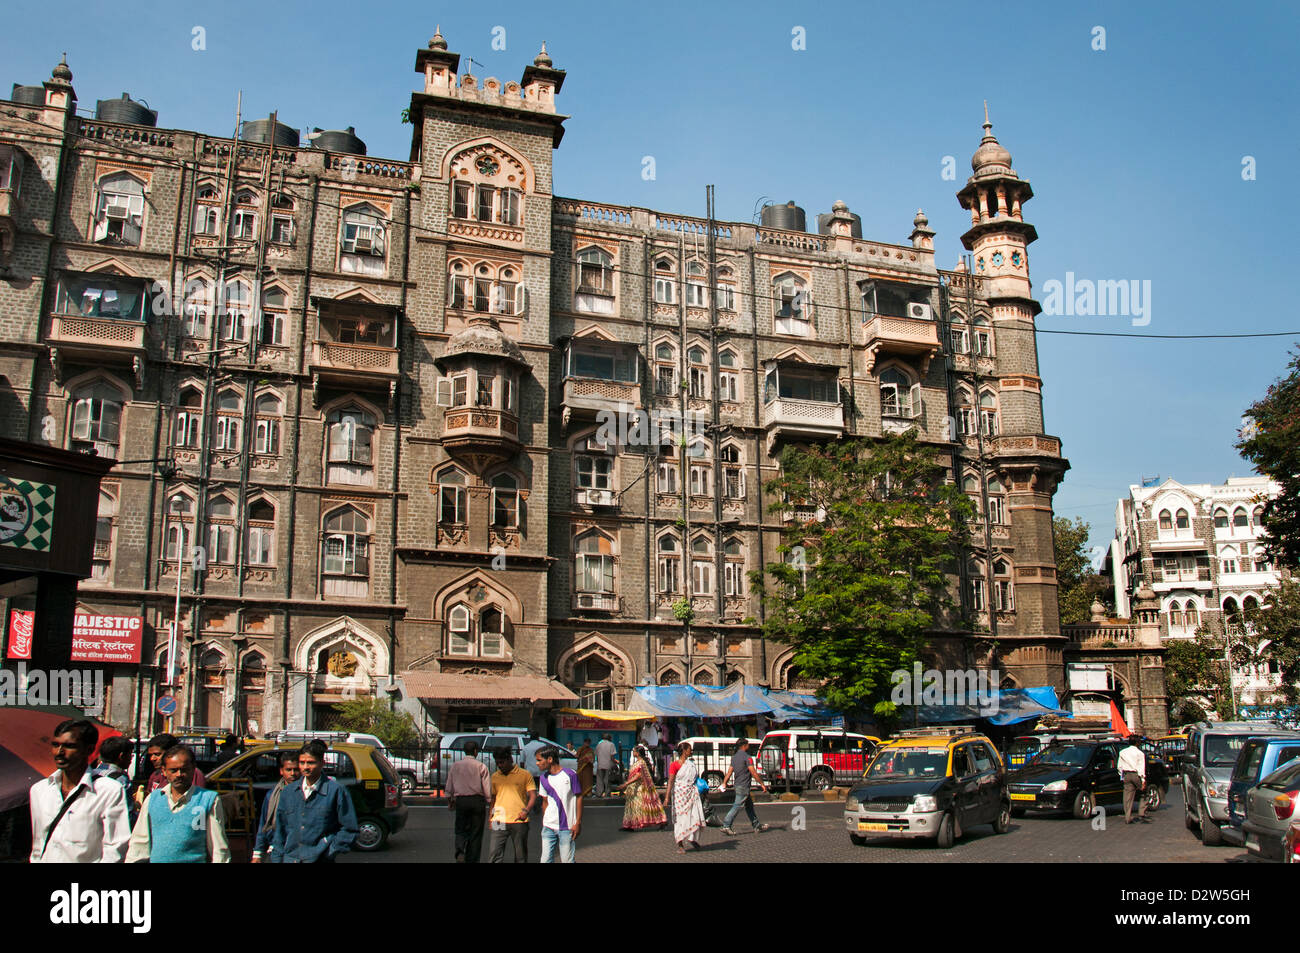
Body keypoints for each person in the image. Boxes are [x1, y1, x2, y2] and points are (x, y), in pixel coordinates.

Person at [29, 719, 131, 863]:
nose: (60, 752)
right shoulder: (39, 791)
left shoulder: (108, 790)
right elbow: (38, 846)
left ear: (88, 750)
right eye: (55, 745)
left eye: (69, 746)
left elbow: (115, 848)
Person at [126, 745, 230, 863]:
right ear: (164, 771)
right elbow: (139, 845)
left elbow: (219, 849)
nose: (179, 774)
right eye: (173, 770)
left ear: (193, 769)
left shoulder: (208, 800)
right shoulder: (153, 800)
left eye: (184, 769)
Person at [269, 740, 358, 863]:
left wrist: (330, 850)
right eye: (302, 762)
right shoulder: (289, 792)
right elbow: (280, 830)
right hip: (291, 858)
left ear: (322, 763)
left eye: (311, 763)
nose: (305, 767)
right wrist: (277, 858)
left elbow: (349, 829)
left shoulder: (336, 791)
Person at [488, 747, 536, 863]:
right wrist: (490, 817)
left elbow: (533, 796)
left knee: (520, 856)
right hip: (498, 820)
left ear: (510, 759)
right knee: (494, 854)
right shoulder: (495, 776)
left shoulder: (525, 774)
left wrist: (526, 810)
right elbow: (494, 799)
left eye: (502, 762)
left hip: (519, 820)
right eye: (497, 762)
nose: (500, 765)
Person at [251, 750, 301, 862]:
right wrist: (257, 854)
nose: (293, 773)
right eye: (289, 770)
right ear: (281, 771)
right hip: (276, 850)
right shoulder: (272, 795)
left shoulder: (307, 794)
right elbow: (264, 824)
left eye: (296, 769)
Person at [446, 739, 491, 862]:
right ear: (476, 751)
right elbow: (487, 789)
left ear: (465, 751)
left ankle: (460, 851)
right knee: (476, 833)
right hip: (477, 801)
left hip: (461, 800)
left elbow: (448, 787)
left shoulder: (455, 766)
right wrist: (489, 800)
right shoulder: (481, 766)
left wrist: (450, 801)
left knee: (460, 828)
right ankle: (472, 859)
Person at [535, 745, 582, 863]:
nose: (537, 763)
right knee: (545, 860)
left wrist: (577, 822)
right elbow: (545, 802)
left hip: (567, 827)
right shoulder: (543, 779)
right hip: (548, 827)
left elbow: (579, 797)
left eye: (539, 760)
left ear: (550, 759)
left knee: (567, 860)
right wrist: (545, 820)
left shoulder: (570, 774)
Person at [720, 737, 769, 835]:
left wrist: (724, 783)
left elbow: (729, 772)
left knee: (749, 806)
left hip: (738, 785)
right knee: (737, 806)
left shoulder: (734, 758)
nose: (749, 746)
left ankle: (756, 825)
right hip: (744, 786)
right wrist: (762, 784)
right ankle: (726, 825)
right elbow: (753, 772)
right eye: (747, 744)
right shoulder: (747, 757)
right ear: (744, 746)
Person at [92, 736, 137, 827]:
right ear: (121, 756)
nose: (131, 759)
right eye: (130, 755)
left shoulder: (92, 775)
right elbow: (127, 816)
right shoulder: (121, 780)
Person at [620, 744, 667, 831]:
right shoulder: (638, 762)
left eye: (634, 751)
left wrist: (626, 784)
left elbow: (638, 776)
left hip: (640, 789)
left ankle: (661, 821)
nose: (633, 752)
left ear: (637, 753)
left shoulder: (641, 763)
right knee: (632, 807)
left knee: (645, 807)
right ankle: (630, 825)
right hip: (634, 788)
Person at [670, 740, 706, 853]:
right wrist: (666, 797)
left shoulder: (691, 764)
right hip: (679, 795)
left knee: (692, 816)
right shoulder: (674, 765)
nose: (691, 751)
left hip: (691, 793)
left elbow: (695, 778)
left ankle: (692, 839)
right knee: (679, 819)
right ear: (684, 751)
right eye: (689, 749)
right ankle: (680, 844)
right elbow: (671, 781)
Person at [142, 733, 207, 795]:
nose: (152, 758)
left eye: (157, 754)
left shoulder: (192, 773)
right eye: (151, 755)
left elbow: (196, 799)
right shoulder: (155, 776)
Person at [1119, 735, 1151, 824]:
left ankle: (1127, 817)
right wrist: (1143, 780)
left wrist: (1122, 776)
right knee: (1145, 792)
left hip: (1126, 774)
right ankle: (1142, 812)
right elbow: (1141, 767)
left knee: (1127, 797)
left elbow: (1119, 766)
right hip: (1136, 774)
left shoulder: (1122, 752)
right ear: (1138, 743)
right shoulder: (1139, 753)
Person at [594, 733, 618, 797]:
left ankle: (599, 793)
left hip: (600, 765)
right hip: (608, 765)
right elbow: (612, 756)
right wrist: (616, 761)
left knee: (599, 780)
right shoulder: (611, 744)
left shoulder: (599, 744)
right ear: (609, 738)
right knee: (607, 780)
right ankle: (607, 793)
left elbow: (596, 754)